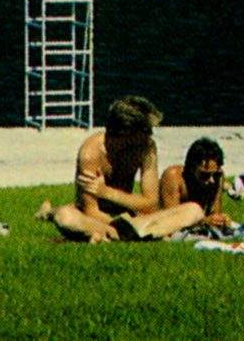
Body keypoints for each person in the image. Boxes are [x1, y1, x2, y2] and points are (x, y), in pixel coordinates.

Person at [34, 95, 163, 242]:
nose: (150, 135)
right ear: (125, 133)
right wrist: (127, 226)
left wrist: (107, 192)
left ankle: (47, 212)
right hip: (95, 212)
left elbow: (151, 203)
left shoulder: (146, 147)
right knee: (66, 216)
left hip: (122, 208)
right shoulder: (90, 154)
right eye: (146, 130)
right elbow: (90, 210)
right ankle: (48, 212)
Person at [114, 137, 230, 239]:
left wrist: (220, 220)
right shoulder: (174, 177)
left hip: (190, 220)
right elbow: (172, 218)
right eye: (204, 175)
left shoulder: (217, 178)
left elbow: (214, 213)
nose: (211, 180)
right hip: (152, 221)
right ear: (191, 168)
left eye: (215, 174)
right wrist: (204, 221)